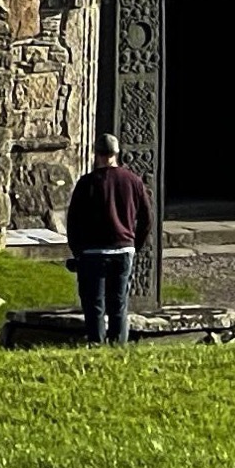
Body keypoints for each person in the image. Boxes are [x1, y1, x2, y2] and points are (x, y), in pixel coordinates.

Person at [64, 131, 155, 345]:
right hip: (123, 249)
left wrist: (78, 252)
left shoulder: (87, 183)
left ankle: (96, 342)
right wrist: (135, 244)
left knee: (94, 303)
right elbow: (147, 218)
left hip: (93, 251)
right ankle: (118, 344)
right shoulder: (133, 181)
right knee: (119, 303)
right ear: (117, 153)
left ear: (96, 154)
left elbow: (73, 221)